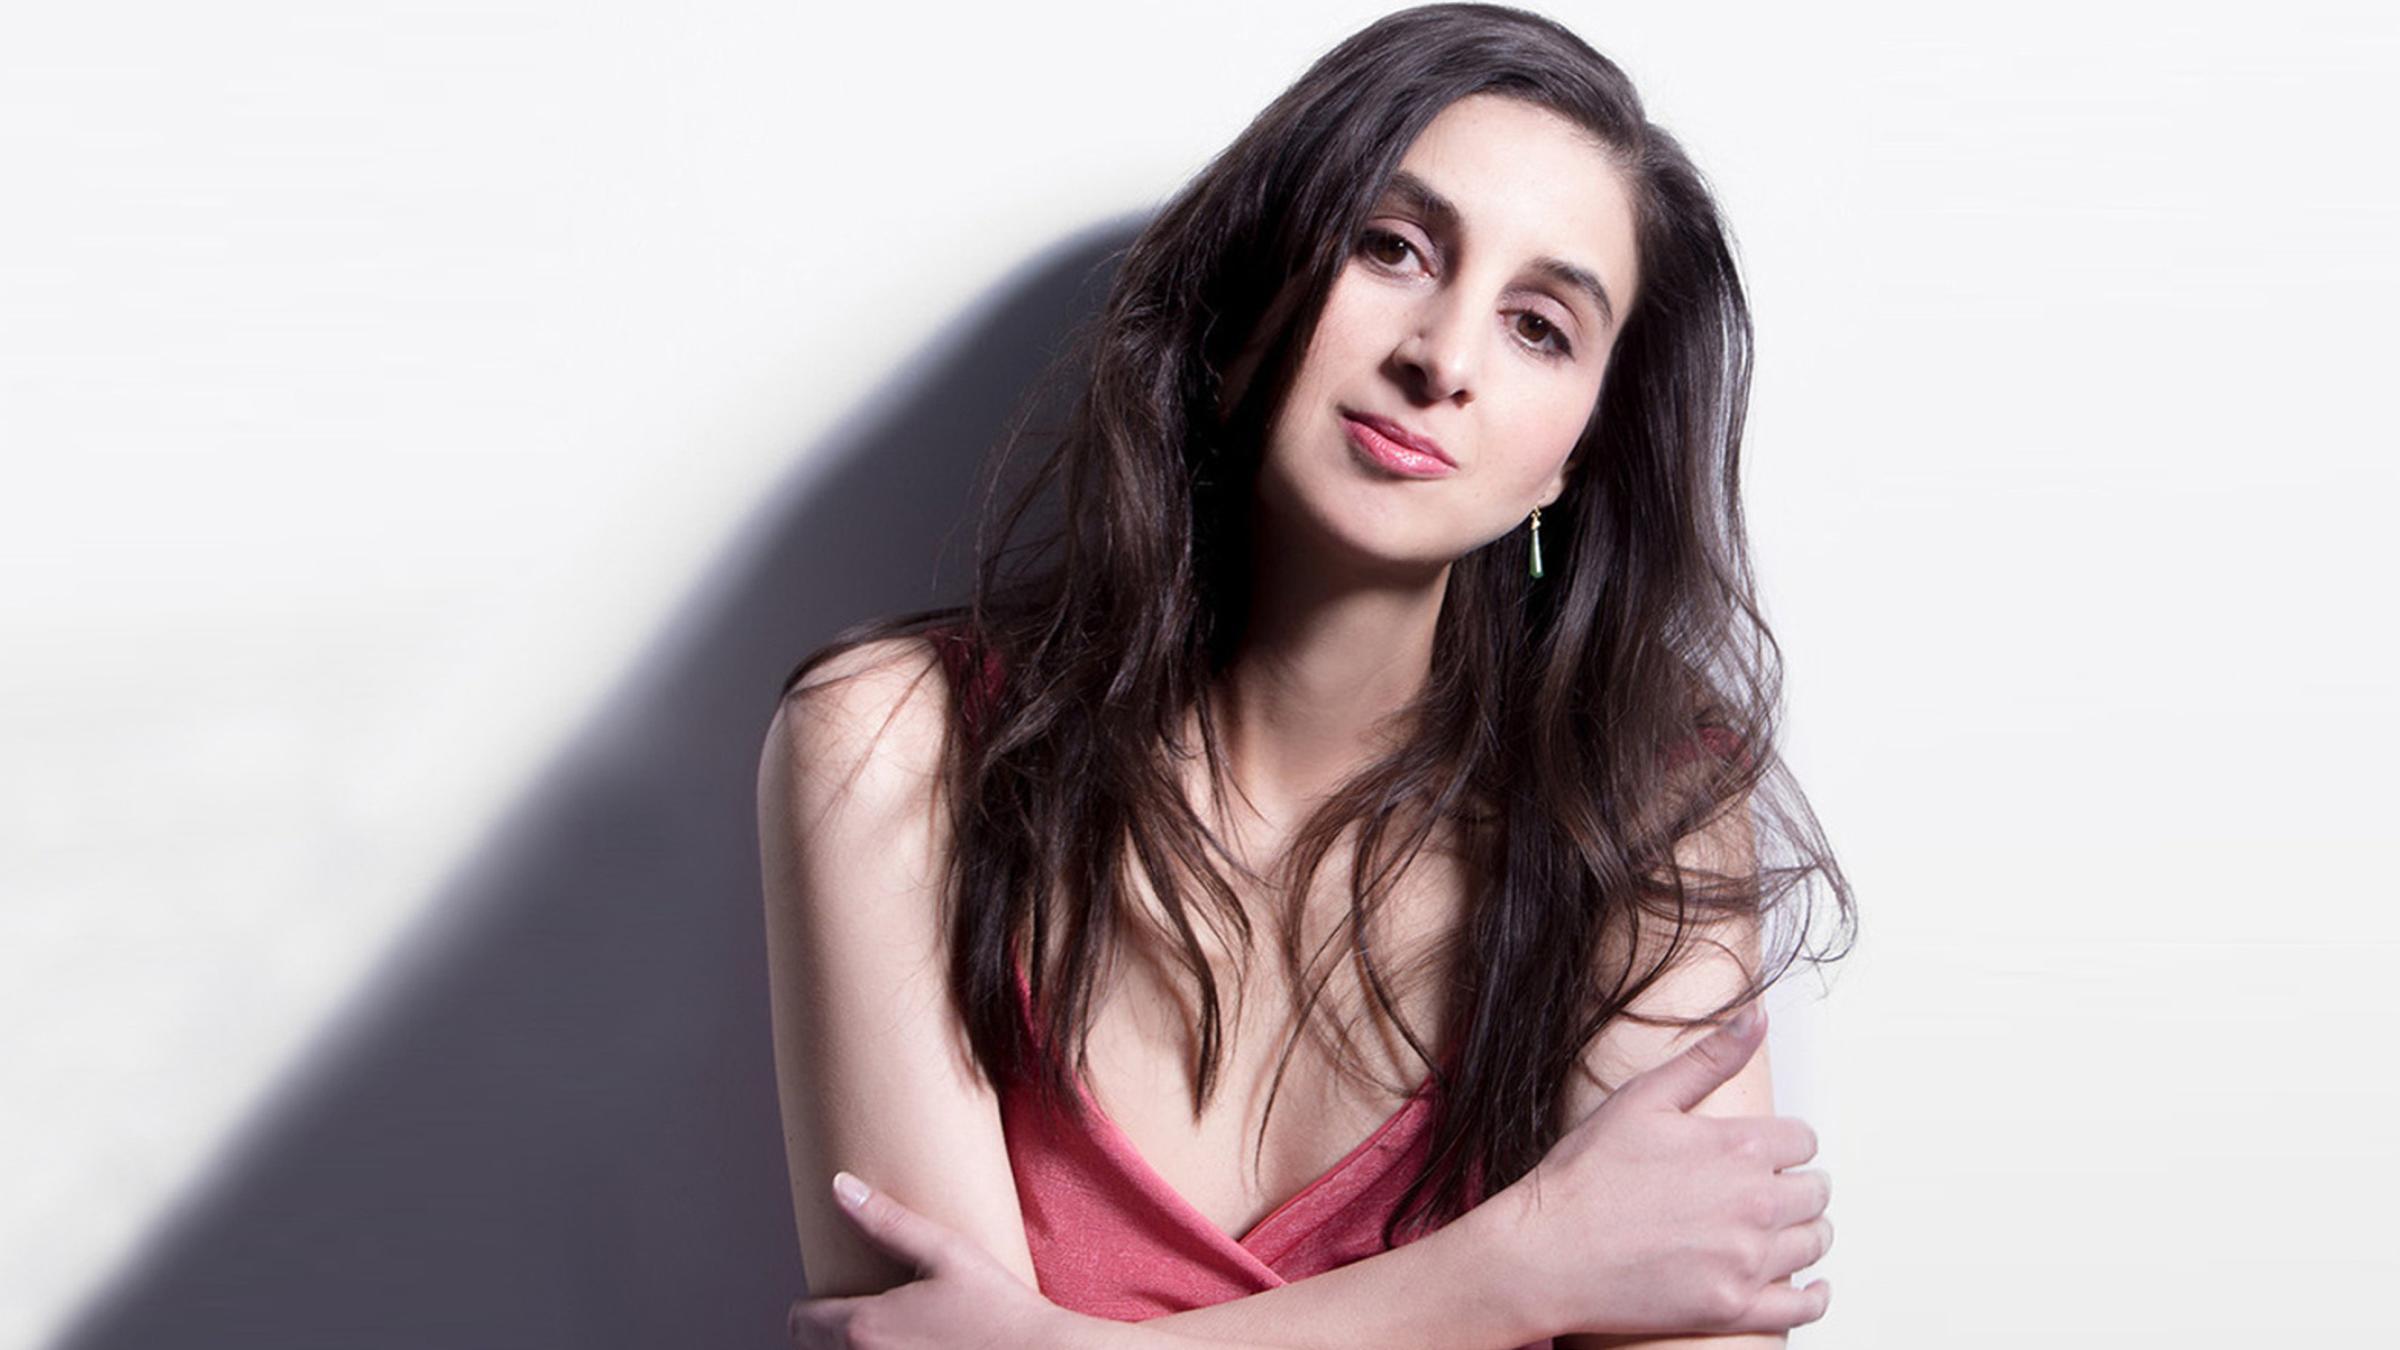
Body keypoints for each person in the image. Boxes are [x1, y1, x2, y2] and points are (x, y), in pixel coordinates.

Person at [757, 5, 1854, 1346]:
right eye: (1392, 248)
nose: (1441, 359)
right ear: (1259, 274)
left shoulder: (1642, 809)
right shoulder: (894, 747)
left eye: (1540, 327)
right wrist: (1518, 1269)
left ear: (1574, 456)